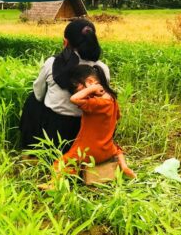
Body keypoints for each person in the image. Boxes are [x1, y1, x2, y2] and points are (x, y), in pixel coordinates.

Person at [38, 65, 134, 190]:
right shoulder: (112, 100)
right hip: (106, 149)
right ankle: (124, 167)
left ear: (90, 82)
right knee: (117, 150)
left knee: (60, 163)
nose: (76, 91)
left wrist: (91, 89)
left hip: (87, 150)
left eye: (77, 86)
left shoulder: (96, 103)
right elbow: (118, 116)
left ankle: (53, 184)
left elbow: (74, 99)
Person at [22, 19, 111, 153]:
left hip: (56, 132)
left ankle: (30, 146)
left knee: (32, 100)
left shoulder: (52, 63)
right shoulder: (102, 68)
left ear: (65, 42)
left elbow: (39, 94)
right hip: (89, 129)